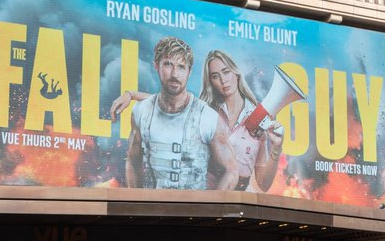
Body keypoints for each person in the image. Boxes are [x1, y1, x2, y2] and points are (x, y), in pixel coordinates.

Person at [113, 49, 283, 192]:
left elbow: (263, 184)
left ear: (236, 73)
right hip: (203, 196)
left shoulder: (258, 117)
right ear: (211, 82)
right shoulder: (207, 110)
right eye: (215, 76)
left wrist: (277, 147)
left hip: (239, 199)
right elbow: (167, 102)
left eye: (226, 72)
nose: (223, 80)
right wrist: (131, 95)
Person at [122, 37, 238, 191]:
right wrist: (137, 205)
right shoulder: (141, 110)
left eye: (181, 67)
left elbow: (231, 170)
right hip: (151, 210)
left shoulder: (207, 116)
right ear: (156, 66)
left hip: (194, 211)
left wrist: (211, 208)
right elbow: (132, 160)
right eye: (168, 64)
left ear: (189, 72)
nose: (175, 74)